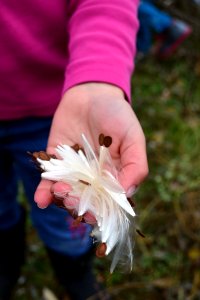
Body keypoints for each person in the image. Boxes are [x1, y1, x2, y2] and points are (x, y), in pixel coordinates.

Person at [0, 1, 148, 299]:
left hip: (54, 110)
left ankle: (73, 267)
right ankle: (5, 259)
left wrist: (99, 78)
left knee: (63, 212)